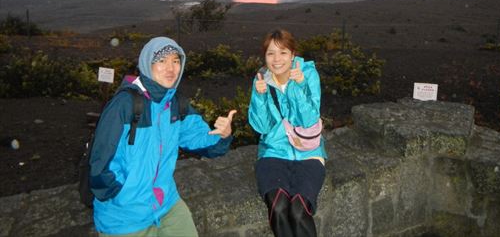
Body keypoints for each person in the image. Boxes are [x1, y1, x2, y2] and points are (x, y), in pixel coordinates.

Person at [89, 36, 235, 236]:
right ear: (147, 63)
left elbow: (199, 138)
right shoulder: (125, 105)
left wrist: (222, 135)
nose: (171, 68)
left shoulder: (174, 103)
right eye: (162, 61)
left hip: (165, 202)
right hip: (125, 213)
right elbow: (101, 160)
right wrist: (121, 193)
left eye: (176, 61)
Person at [248, 29, 327, 237]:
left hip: (308, 153)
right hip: (273, 152)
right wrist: (259, 96)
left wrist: (298, 85)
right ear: (264, 57)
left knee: (299, 211)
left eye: (283, 52)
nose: (277, 59)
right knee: (279, 206)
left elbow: (308, 119)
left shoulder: (307, 73)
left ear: (293, 54)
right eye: (271, 53)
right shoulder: (261, 79)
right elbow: (261, 127)